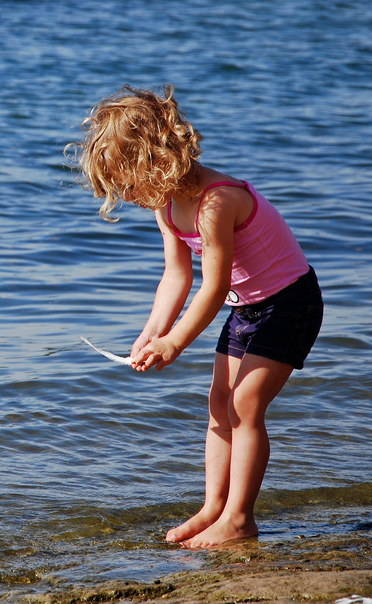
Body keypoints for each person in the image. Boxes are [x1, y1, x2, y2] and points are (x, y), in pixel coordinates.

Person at [68, 85, 323, 548]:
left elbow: (215, 286)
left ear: (156, 161)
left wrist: (176, 343)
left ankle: (240, 518)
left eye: (127, 183)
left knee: (245, 406)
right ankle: (213, 508)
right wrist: (152, 332)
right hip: (248, 309)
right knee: (217, 406)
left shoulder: (216, 201)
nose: (126, 196)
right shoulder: (166, 204)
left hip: (290, 304)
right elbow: (176, 276)